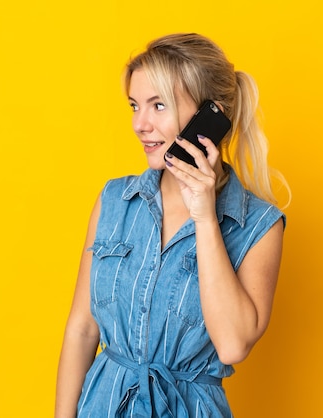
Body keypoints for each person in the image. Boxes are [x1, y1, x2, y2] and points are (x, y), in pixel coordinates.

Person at [55, 33, 288, 417]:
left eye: (158, 105)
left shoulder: (258, 225)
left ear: (208, 117)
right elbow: (82, 329)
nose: (139, 124)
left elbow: (232, 345)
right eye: (134, 105)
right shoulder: (115, 201)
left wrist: (204, 216)